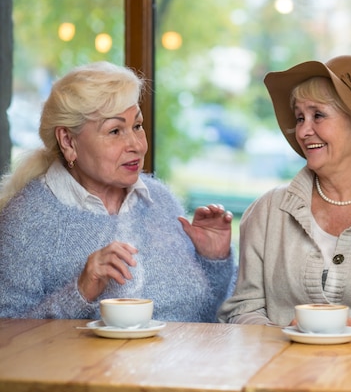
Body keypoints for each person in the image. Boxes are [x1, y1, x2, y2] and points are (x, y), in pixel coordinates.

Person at [0, 61, 236, 322]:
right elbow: (8, 335)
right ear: (68, 141)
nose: (136, 144)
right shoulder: (26, 220)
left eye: (137, 126)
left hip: (185, 360)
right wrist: (80, 292)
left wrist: (213, 262)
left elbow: (206, 317)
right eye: (115, 131)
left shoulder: (160, 199)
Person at [218, 55, 351, 331]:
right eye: (300, 117)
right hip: (283, 370)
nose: (303, 131)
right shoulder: (268, 209)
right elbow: (242, 309)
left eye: (317, 115)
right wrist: (286, 336)